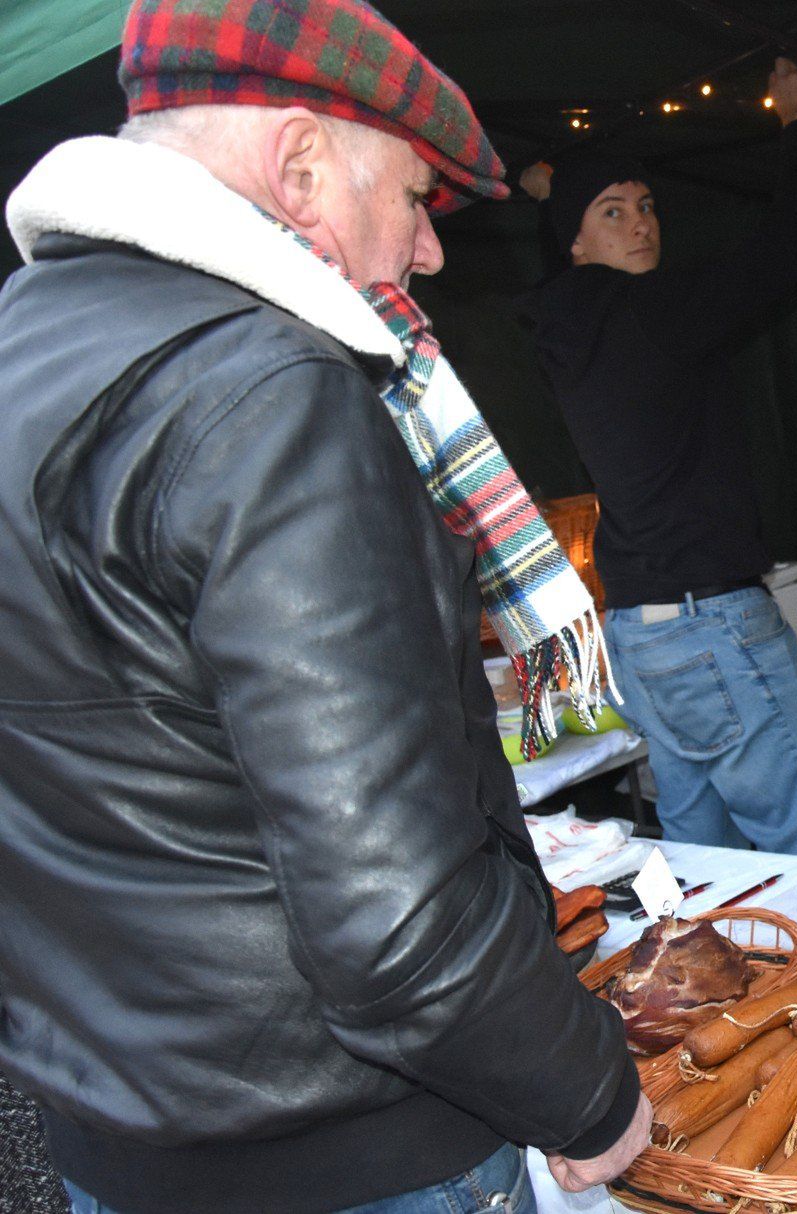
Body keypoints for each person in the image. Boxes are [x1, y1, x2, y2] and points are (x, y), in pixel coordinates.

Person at [0, 1, 649, 1209]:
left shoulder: (18, 352)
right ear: (301, 167)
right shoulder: (272, 395)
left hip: (116, 1142)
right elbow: (397, 931)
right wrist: (590, 1092)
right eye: (411, 196)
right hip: (353, 1155)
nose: (429, 248)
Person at [521, 58, 797, 859]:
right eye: (613, 213)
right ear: (575, 244)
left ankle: (710, 984)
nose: (641, 224)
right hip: (712, 626)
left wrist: (555, 190)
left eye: (646, 206)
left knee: (705, 866)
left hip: (640, 631)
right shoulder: (655, 311)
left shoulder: (564, 326)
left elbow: (565, 228)